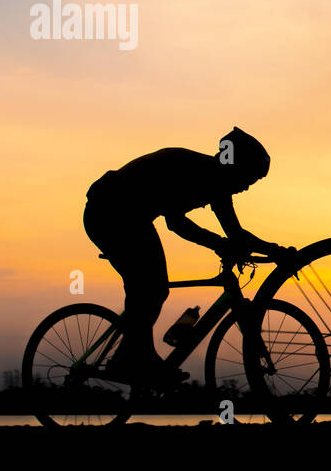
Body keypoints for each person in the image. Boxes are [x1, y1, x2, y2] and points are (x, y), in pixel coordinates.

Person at [83, 127, 294, 385]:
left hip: (127, 215)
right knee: (152, 287)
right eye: (249, 178)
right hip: (110, 212)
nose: (247, 187)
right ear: (235, 167)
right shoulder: (195, 170)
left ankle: (133, 356)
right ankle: (132, 359)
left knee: (151, 289)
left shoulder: (217, 183)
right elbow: (176, 223)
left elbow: (236, 235)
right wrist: (221, 244)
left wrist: (276, 251)